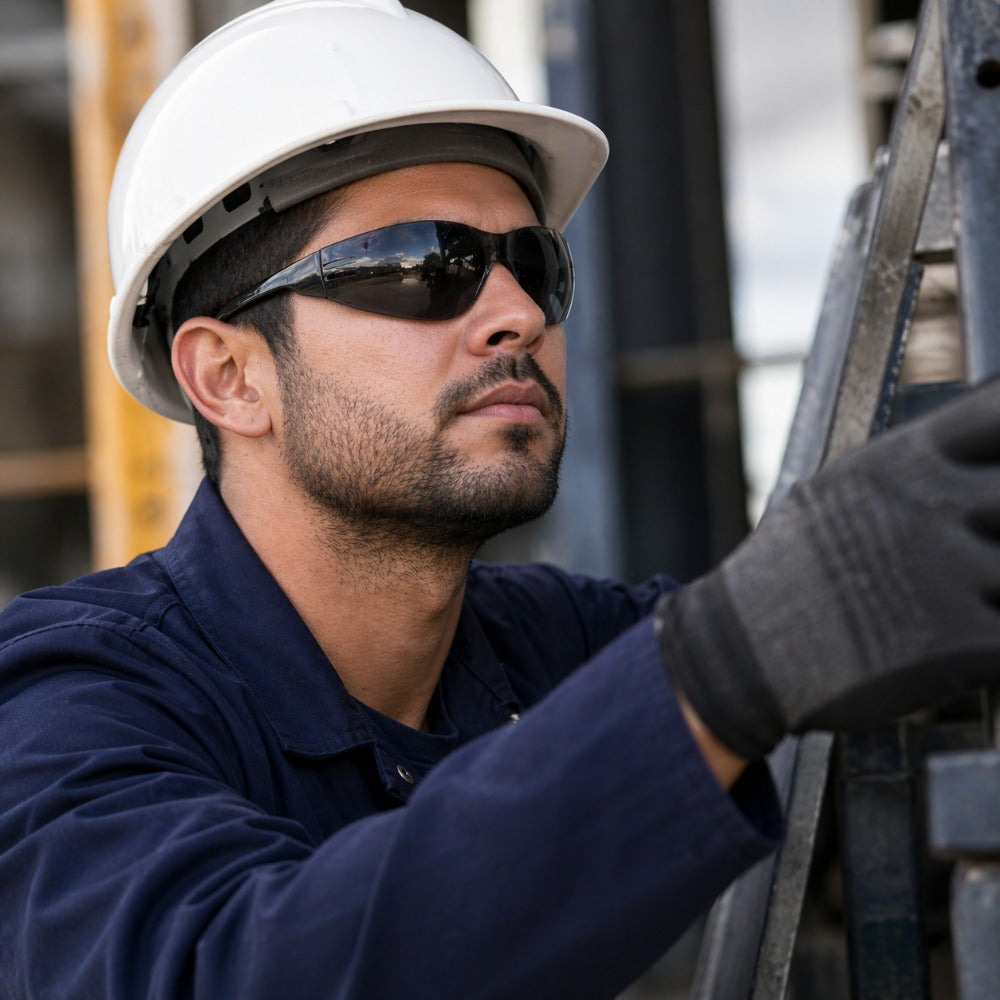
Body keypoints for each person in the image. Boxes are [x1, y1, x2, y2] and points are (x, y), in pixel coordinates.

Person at [2, 1, 1000, 996]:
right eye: (424, 264)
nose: (516, 314)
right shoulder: (70, 701)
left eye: (534, 265)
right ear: (227, 376)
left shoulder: (543, 651)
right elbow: (231, 971)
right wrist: (732, 665)